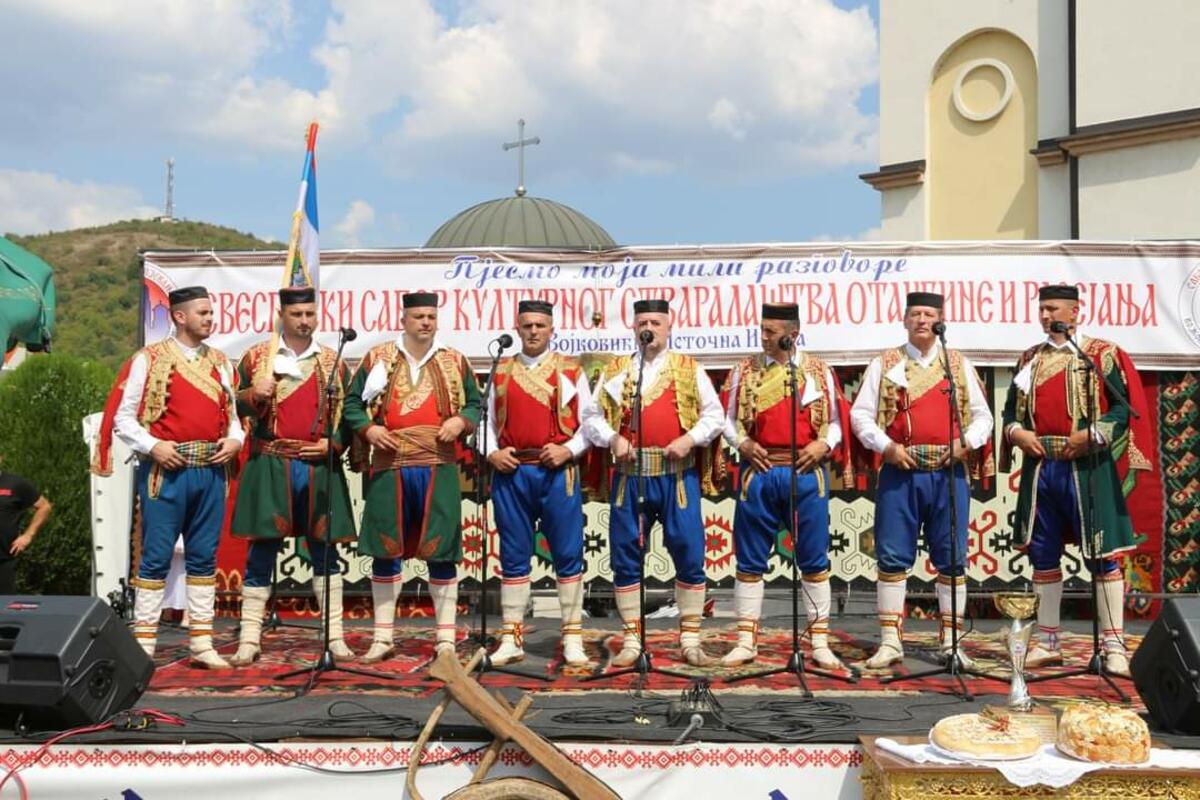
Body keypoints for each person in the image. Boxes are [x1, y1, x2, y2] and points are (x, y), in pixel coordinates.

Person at [1000, 284, 1152, 677]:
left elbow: (1122, 409)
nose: (1046, 316)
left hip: (1087, 467)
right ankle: (1048, 641)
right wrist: (1017, 433)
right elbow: (1010, 412)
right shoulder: (1029, 359)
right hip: (1041, 469)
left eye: (1053, 309)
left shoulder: (1101, 355)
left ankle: (1113, 646)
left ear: (1075, 312)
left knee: (1103, 554)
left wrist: (1094, 433)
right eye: (1042, 309)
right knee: (1042, 552)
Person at [97, 286, 243, 668]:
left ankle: (202, 643)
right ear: (179, 316)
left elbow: (233, 418)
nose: (210, 319)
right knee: (156, 556)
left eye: (210, 312)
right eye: (202, 313)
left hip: (210, 471)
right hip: (166, 471)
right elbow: (124, 416)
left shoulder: (221, 363)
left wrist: (236, 440)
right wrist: (153, 446)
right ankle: (144, 644)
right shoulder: (149, 359)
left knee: (204, 557)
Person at [850, 292, 993, 670]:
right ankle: (890, 642)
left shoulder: (957, 364)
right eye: (915, 314)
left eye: (929, 314)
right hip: (901, 471)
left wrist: (966, 443)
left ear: (941, 320)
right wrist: (887, 446)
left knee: (952, 558)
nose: (922, 320)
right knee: (892, 555)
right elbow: (860, 415)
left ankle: (951, 642)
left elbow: (983, 415)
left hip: (948, 473)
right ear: (905, 320)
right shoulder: (885, 363)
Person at [583, 298, 725, 667]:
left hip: (676, 476)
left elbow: (715, 416)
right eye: (643, 322)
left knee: (689, 553)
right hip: (631, 476)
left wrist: (689, 439)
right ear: (634, 327)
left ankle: (690, 640)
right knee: (626, 555)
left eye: (656, 322)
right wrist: (613, 438)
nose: (649, 328)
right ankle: (632, 641)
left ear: (669, 326)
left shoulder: (689, 368)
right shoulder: (617, 370)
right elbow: (591, 417)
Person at [343, 291, 481, 663]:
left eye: (431, 317)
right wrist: (369, 430)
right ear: (403, 319)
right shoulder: (378, 358)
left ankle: (445, 640)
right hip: (391, 463)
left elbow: (475, 403)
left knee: (441, 550)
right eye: (418, 316)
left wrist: (461, 421)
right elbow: (352, 403)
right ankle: (382, 637)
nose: (425, 322)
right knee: (385, 548)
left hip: (439, 464)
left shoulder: (454, 360)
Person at [227, 286, 358, 666]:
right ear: (281, 316)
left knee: (325, 550)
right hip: (270, 463)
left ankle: (334, 637)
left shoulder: (332, 361)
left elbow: (349, 414)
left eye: (309, 314)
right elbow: (229, 405)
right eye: (297, 314)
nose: (304, 321)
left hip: (318, 467)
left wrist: (335, 444)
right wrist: (253, 394)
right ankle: (249, 639)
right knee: (261, 551)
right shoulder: (257, 359)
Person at [719, 303, 853, 669]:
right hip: (759, 472)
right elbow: (725, 417)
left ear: (792, 335)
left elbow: (838, 420)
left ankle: (819, 642)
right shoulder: (744, 370)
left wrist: (823, 444)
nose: (763, 337)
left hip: (806, 473)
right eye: (761, 330)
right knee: (750, 559)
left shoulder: (818, 371)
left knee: (813, 558)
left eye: (771, 331)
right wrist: (742, 443)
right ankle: (746, 641)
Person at [483, 300, 597, 668]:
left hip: (557, 473)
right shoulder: (500, 371)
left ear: (552, 329)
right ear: (517, 328)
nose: (534, 331)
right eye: (527, 325)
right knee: (513, 554)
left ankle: (573, 639)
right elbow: (484, 421)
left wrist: (569, 450)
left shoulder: (570, 369)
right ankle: (511, 638)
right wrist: (492, 453)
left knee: (567, 553)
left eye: (540, 325)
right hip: (512, 472)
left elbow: (591, 421)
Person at [0, 460, 52, 593]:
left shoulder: (15, 484)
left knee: (5, 604)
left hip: (4, 560)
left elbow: (44, 507)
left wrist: (28, 535)